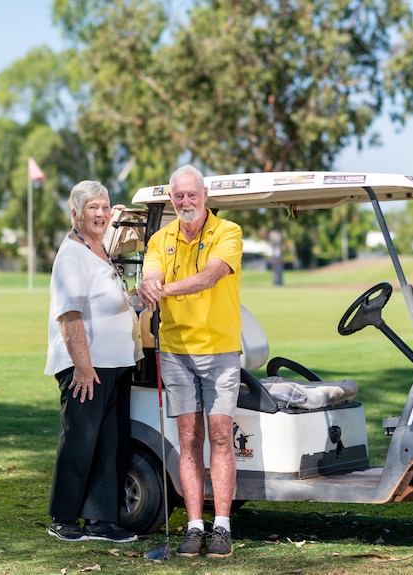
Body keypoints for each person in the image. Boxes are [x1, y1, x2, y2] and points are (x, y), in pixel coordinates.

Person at [138, 164, 243, 559]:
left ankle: (222, 528)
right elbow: (150, 274)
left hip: (219, 350)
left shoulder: (228, 233)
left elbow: (211, 276)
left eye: (191, 195)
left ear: (205, 196)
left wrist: (163, 289)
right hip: (177, 351)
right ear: (172, 199)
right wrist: (149, 283)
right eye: (178, 196)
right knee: (187, 440)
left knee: (219, 435)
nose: (185, 202)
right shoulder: (159, 240)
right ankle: (195, 526)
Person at [44, 180, 143, 543]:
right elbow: (69, 317)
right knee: (81, 441)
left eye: (104, 207)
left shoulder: (98, 248)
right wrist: (83, 368)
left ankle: (102, 521)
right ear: (76, 214)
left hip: (115, 364)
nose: (100, 214)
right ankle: (63, 518)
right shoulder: (72, 254)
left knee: (111, 443)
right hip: (88, 366)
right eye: (92, 208)